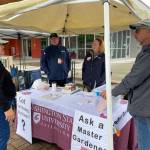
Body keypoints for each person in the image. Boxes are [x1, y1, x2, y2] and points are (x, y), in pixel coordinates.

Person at [101, 21, 150, 150]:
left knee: (145, 145)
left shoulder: (148, 54)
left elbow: (133, 79)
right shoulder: (145, 52)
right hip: (143, 107)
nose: (135, 34)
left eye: (138, 30)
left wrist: (112, 92)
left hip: (145, 110)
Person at [0, 39, 16, 150]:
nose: (3, 47)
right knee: (3, 135)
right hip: (2, 106)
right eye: (1, 45)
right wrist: (6, 108)